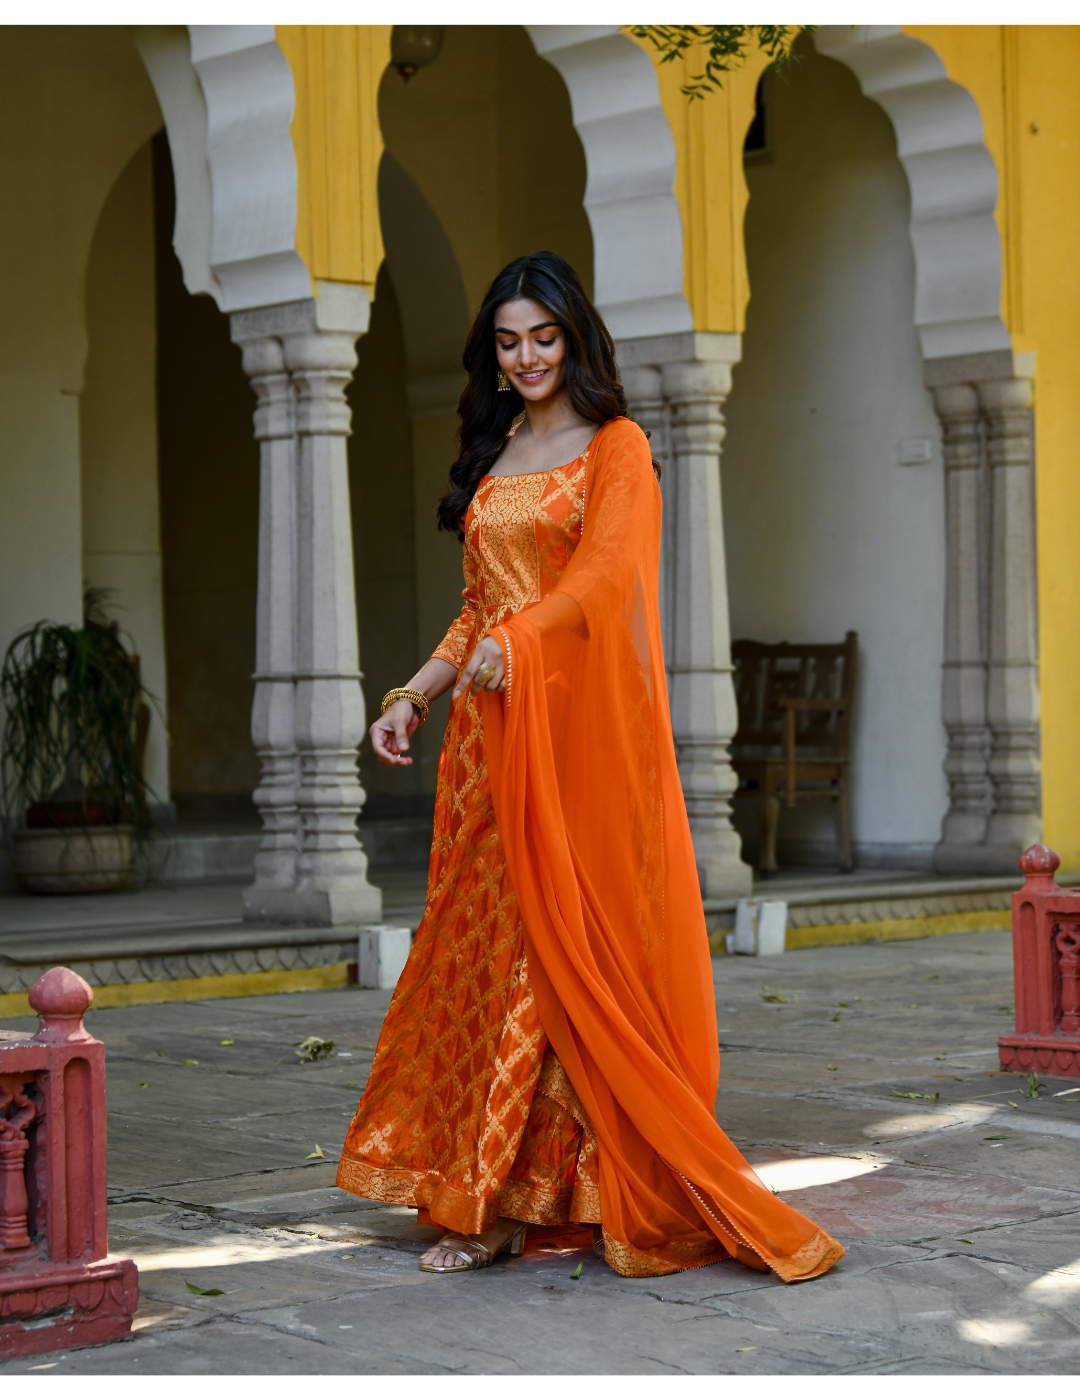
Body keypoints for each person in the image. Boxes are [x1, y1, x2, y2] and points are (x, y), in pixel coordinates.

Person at [336, 251, 843, 1282]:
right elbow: (480, 604)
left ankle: (506, 1202)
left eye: (544, 336)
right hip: (487, 746)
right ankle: (498, 1183)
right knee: (480, 956)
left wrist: (520, 645)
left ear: (576, 337)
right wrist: (411, 695)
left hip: (572, 745)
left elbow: (607, 578)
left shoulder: (617, 448)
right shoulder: (498, 448)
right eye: (509, 340)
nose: (526, 357)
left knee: (553, 954)